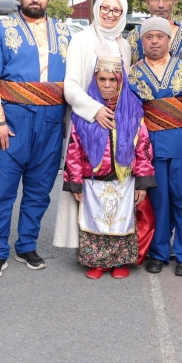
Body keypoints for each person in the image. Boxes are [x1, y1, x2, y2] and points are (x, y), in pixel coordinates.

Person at [0, 0, 73, 278]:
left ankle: (27, 245)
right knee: (1, 189)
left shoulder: (65, 32)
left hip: (50, 122)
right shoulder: (2, 29)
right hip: (13, 120)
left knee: (40, 188)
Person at [129, 17, 182, 276]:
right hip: (150, 148)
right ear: (142, 41)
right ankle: (158, 251)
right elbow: (131, 116)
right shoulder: (132, 74)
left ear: (168, 39)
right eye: (149, 37)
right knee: (158, 202)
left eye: (160, 36)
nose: (154, 41)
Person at [56, 0, 135, 252]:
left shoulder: (125, 45)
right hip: (88, 122)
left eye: (116, 10)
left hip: (117, 126)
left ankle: (115, 249)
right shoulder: (81, 40)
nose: (109, 14)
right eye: (105, 8)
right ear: (96, 8)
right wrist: (95, 110)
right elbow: (71, 85)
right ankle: (89, 249)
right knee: (86, 187)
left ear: (123, 14)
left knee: (115, 191)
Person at [63, 56, 156, 279]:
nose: (107, 85)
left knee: (121, 223)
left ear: (120, 81)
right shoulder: (85, 112)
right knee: (96, 223)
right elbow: (74, 149)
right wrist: (74, 183)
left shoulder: (133, 110)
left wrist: (142, 182)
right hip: (93, 181)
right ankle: (98, 263)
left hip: (124, 180)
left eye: (112, 80)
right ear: (95, 80)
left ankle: (120, 262)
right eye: (102, 79)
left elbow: (142, 146)